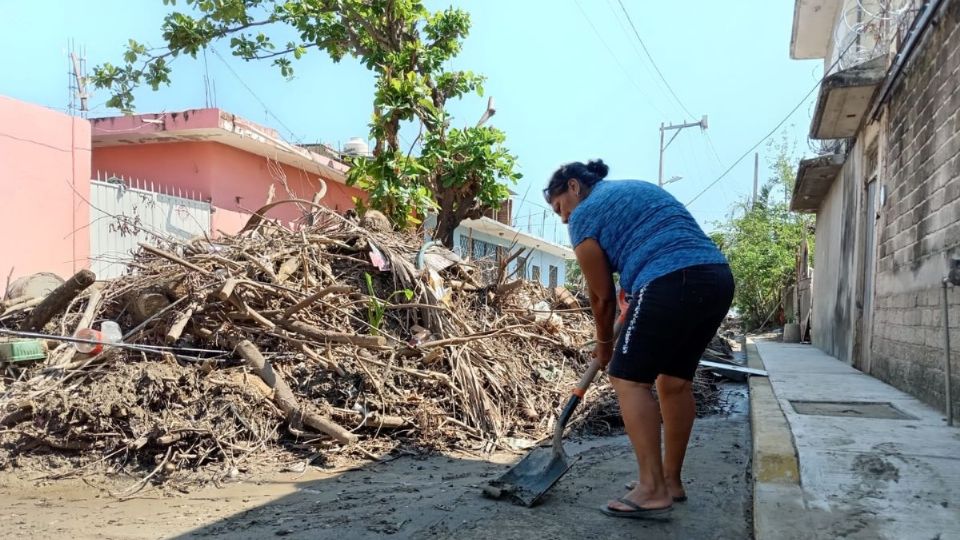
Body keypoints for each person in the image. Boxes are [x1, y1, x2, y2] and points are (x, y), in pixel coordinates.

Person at [544, 159, 734, 519]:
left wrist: (604, 347)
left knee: (627, 377)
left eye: (559, 209)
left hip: (670, 278)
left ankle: (651, 488)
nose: (565, 219)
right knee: (674, 382)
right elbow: (646, 248)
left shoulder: (586, 213)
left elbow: (600, 296)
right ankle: (670, 481)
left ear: (573, 187)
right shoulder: (635, 189)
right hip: (715, 278)